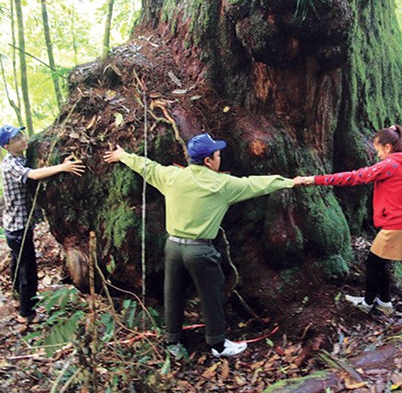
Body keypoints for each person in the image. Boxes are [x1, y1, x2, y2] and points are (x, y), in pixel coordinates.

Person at [104, 133, 300, 357]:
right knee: (211, 296)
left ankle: (172, 342)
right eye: (218, 155)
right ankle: (218, 345)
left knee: (173, 294)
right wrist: (291, 181)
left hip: (173, 247)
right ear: (208, 161)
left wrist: (123, 155)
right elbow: (255, 184)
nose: (220, 158)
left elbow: (147, 167)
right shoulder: (221, 184)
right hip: (200, 250)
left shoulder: (172, 176)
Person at [297, 125, 402, 314]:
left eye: (378, 149)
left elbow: (355, 177)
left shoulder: (390, 164)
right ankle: (384, 302)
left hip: (397, 224)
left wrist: (315, 179)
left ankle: (368, 302)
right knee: (381, 262)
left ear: (387, 148)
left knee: (373, 263)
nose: (377, 154)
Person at [0, 125, 85, 323]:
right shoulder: (10, 164)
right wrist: (62, 167)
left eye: (21, 135)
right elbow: (33, 175)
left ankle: (18, 298)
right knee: (27, 267)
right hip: (17, 226)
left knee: (18, 264)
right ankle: (26, 314)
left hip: (19, 224)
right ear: (7, 146)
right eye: (16, 139)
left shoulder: (20, 158)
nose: (22, 139)